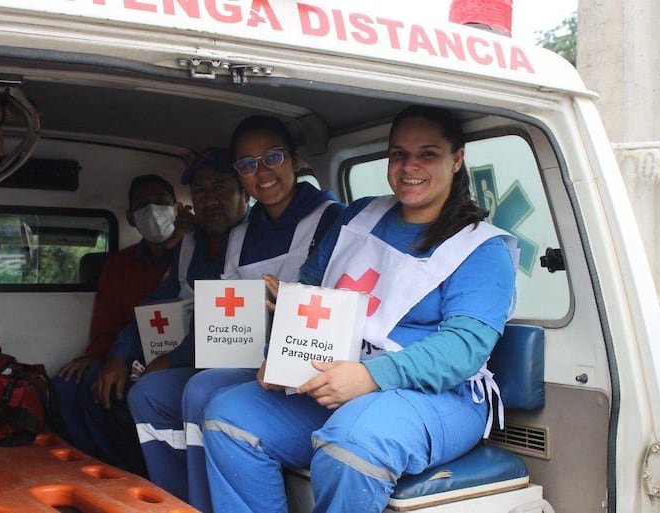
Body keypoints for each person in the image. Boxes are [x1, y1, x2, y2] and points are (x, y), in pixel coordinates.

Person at [201, 105, 519, 513]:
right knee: (229, 415)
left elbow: (463, 349)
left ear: (456, 160)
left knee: (350, 445)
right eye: (398, 154)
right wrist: (282, 358)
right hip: (342, 376)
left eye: (427, 154)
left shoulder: (480, 247)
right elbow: (313, 290)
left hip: (439, 395)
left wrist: (370, 376)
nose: (410, 166)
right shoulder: (360, 216)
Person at [127, 115, 346, 510]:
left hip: (303, 366)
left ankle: (204, 504)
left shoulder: (332, 219)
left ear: (294, 160)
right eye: (247, 164)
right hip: (244, 358)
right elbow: (225, 318)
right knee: (149, 392)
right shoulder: (241, 234)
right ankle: (180, 501)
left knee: (200, 389)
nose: (260, 172)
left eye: (271, 157)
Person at [79, 148, 249, 475]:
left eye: (221, 187)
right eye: (200, 191)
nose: (210, 199)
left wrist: (170, 360)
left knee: (158, 389)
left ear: (245, 193)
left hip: (235, 362)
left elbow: (229, 322)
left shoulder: (253, 242)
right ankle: (151, 486)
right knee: (124, 388)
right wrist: (118, 356)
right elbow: (153, 306)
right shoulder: (190, 246)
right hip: (195, 360)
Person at [52, 174, 179, 461]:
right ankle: (99, 464)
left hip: (176, 356)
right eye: (143, 205)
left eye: (161, 202)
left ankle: (135, 467)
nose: (153, 211)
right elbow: (107, 324)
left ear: (176, 209)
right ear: (131, 217)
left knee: (128, 393)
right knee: (69, 383)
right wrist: (99, 358)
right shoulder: (120, 265)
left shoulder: (190, 253)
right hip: (129, 354)